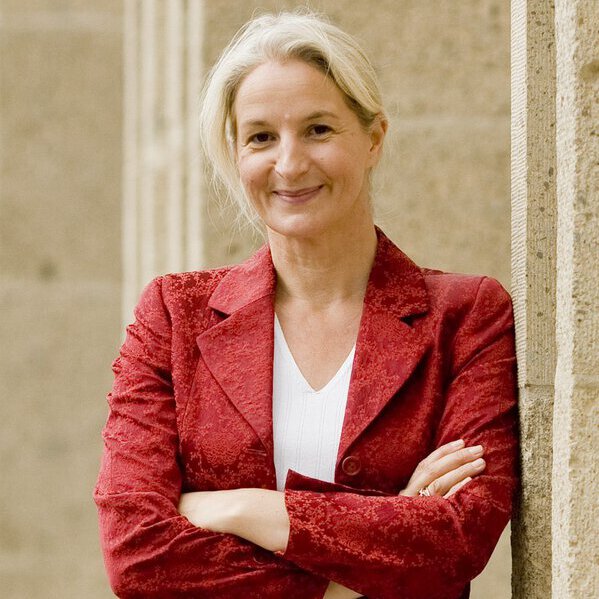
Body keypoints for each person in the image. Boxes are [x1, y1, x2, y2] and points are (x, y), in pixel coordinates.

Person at [94, 10, 518, 599]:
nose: (289, 164)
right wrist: (370, 558)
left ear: (374, 138)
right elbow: (136, 553)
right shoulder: (173, 314)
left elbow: (456, 538)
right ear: (235, 154)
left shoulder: (467, 315)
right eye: (261, 137)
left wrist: (246, 508)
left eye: (318, 129)